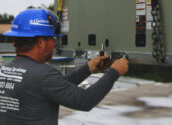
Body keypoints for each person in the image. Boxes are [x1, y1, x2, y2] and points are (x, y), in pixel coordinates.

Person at [0, 8, 129, 124]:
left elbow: (55, 86)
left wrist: (87, 69)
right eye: (52, 38)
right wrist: (114, 72)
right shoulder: (43, 75)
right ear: (40, 42)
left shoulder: (6, 70)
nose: (54, 44)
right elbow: (85, 100)